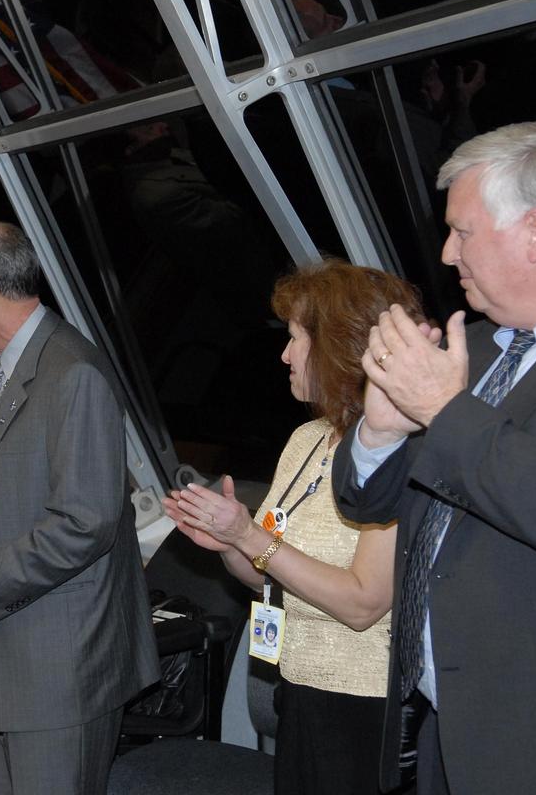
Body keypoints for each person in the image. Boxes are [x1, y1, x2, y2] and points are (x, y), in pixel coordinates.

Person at [333, 121, 536, 794]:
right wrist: (381, 432)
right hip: (450, 730)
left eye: (463, 231)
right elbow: (365, 504)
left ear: (535, 233)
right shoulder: (471, 348)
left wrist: (445, 412)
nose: (448, 253)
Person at [0, 221, 160, 795]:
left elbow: (82, 525)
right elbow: (16, 490)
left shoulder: (72, 374)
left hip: (59, 670)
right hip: (17, 664)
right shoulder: (14, 364)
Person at [163, 259, 424, 795]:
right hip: (299, 690)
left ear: (334, 345)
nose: (284, 353)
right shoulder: (306, 440)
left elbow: (362, 603)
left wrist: (250, 537)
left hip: (366, 709)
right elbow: (273, 580)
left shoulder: (399, 453)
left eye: (295, 337)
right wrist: (230, 547)